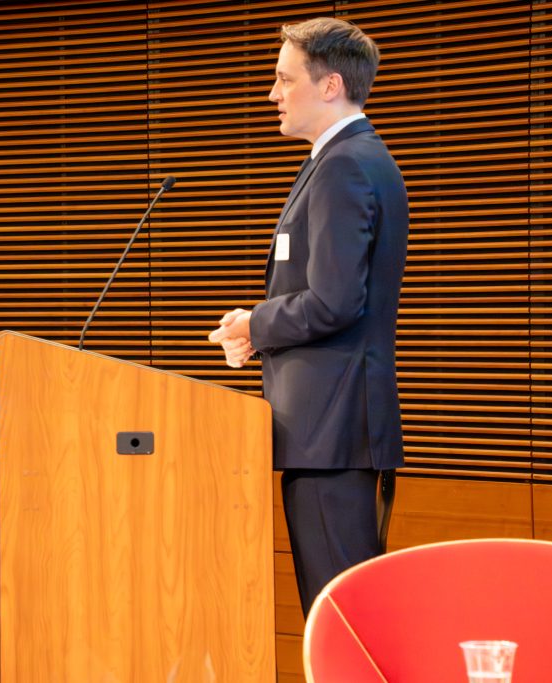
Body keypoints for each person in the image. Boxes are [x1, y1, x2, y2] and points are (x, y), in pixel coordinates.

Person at [208, 17, 408, 617]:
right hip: (329, 430)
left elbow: (335, 301)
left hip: (331, 431)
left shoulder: (346, 165)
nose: (273, 93)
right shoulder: (341, 159)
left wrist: (256, 324)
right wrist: (257, 327)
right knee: (340, 612)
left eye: (284, 78)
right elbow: (329, 294)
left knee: (342, 616)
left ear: (330, 85)